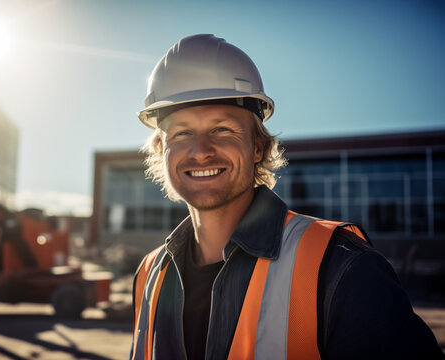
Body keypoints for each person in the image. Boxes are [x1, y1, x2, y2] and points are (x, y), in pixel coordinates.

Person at [129, 34, 443, 360]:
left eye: (222, 129)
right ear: (161, 151)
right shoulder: (151, 274)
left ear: (257, 148)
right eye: (181, 133)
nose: (201, 151)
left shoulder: (340, 267)